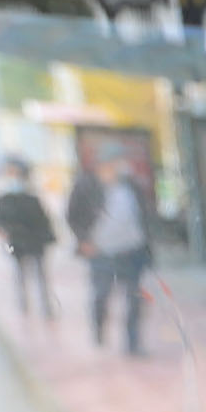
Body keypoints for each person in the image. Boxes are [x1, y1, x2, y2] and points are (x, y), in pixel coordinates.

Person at [69, 152, 152, 357]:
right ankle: (99, 328)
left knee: (134, 299)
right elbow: (72, 215)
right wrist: (83, 241)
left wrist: (146, 241)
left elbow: (145, 213)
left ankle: (133, 343)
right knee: (101, 295)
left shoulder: (131, 186)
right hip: (101, 252)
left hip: (131, 250)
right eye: (110, 164)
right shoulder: (86, 186)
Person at [0, 158, 58, 320]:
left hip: (35, 242)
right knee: (20, 274)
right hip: (16, 242)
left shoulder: (31, 198)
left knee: (41, 275)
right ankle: (24, 305)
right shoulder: (4, 199)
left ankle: (46, 307)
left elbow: (43, 220)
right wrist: (6, 233)